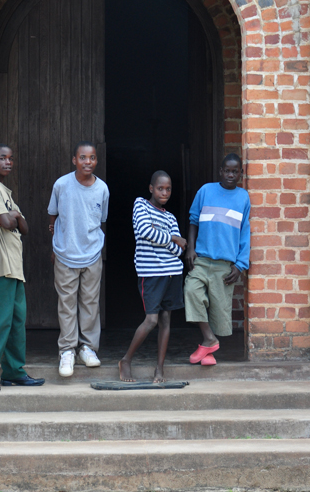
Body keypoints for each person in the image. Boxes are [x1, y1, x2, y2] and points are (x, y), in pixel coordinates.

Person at [0, 144, 45, 392]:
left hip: (14, 268)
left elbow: (24, 228)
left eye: (10, 158)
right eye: (2, 158)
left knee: (16, 322)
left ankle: (14, 372)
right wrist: (12, 215)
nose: (8, 162)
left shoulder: (5, 192)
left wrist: (13, 215)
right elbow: (7, 222)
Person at [48, 142, 109, 378]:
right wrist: (56, 245)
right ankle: (67, 350)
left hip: (92, 254)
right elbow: (53, 216)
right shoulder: (62, 185)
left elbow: (101, 220)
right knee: (66, 304)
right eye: (82, 157)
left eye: (92, 158)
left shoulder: (102, 188)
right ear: (74, 160)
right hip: (65, 254)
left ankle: (88, 348)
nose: (87, 162)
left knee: (90, 303)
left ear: (96, 160)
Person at [119, 171, 186, 383]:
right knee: (151, 320)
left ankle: (159, 369)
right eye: (160, 188)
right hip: (151, 273)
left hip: (173, 273)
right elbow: (145, 231)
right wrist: (172, 238)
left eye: (168, 189)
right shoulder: (141, 205)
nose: (164, 193)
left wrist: (167, 240)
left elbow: (179, 250)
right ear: (151, 188)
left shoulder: (170, 217)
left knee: (166, 321)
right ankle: (126, 360)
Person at [184, 153, 250, 366]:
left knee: (218, 309)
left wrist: (240, 265)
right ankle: (209, 339)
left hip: (225, 264)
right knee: (191, 290)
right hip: (202, 259)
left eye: (235, 171)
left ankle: (208, 351)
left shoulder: (243, 197)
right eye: (227, 171)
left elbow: (245, 232)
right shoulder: (205, 191)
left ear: (240, 174)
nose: (231, 175)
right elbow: (193, 220)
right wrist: (191, 248)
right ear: (220, 171)